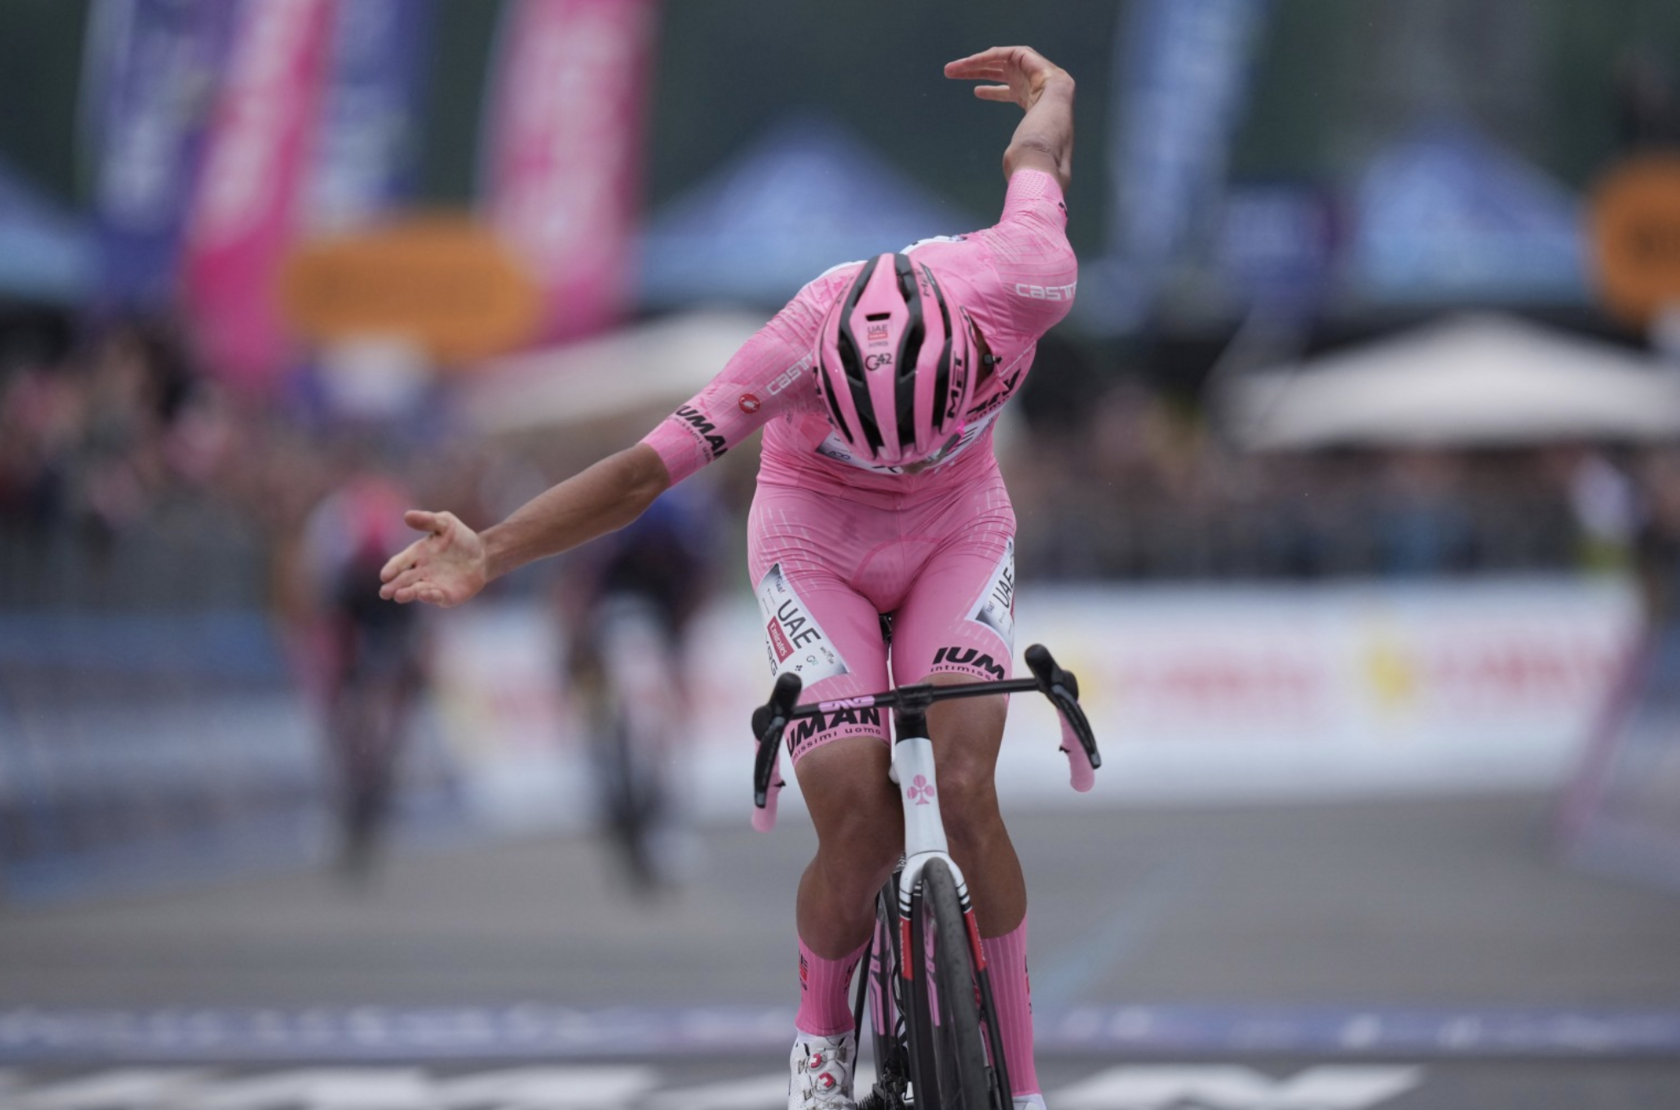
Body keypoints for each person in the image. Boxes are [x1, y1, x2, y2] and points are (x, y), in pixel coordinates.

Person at [381, 45, 1076, 1110]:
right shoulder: (787, 349)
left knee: (969, 790)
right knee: (857, 817)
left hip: (958, 524)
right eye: (873, 437)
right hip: (816, 535)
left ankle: (1023, 1090)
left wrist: (1054, 90)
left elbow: (1037, 156)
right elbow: (636, 476)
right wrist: (493, 548)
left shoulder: (1026, 277)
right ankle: (818, 1052)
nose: (897, 454)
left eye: (920, 429)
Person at [555, 480, 721, 891]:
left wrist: (678, 641)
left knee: (661, 726)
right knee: (606, 724)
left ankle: (656, 815)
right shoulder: (621, 546)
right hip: (612, 626)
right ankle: (620, 802)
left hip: (653, 627)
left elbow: (699, 590)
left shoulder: (681, 543)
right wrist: (577, 645)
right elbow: (579, 590)